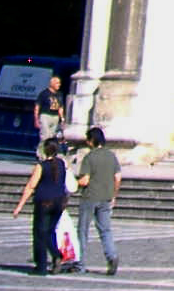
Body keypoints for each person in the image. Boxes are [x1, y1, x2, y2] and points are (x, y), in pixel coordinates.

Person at [10, 138, 71, 273]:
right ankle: (56, 255)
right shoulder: (62, 163)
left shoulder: (41, 166)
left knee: (39, 234)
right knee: (50, 231)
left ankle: (41, 266)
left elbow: (31, 186)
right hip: (59, 202)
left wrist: (19, 206)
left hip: (44, 202)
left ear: (45, 150)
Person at [73, 126, 122, 276]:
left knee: (82, 231)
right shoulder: (111, 156)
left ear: (91, 141)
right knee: (105, 230)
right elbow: (118, 177)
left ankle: (80, 264)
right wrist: (114, 194)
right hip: (106, 197)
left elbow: (85, 180)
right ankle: (111, 256)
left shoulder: (90, 157)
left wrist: (73, 183)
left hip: (90, 197)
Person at [37, 76, 66, 148]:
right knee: (45, 136)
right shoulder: (44, 94)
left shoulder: (59, 94)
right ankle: (41, 154)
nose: (59, 84)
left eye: (59, 83)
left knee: (51, 137)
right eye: (57, 83)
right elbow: (37, 107)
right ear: (52, 84)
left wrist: (62, 118)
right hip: (45, 115)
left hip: (55, 117)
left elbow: (60, 107)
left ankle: (48, 153)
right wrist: (36, 119)